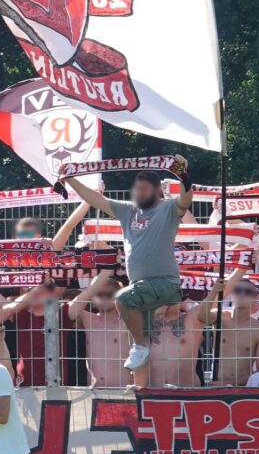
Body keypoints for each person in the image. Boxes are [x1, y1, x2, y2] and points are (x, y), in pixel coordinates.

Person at [64, 160, 193, 371]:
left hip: (164, 284)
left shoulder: (168, 208)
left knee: (122, 299)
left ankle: (142, 347)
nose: (139, 192)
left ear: (157, 190)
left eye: (144, 188)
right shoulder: (128, 211)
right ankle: (144, 393)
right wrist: (69, 179)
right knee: (140, 346)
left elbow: (186, 199)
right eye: (137, 188)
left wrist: (183, 175)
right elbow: (96, 199)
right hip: (141, 289)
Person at [67, 271, 129, 389]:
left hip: (123, 391)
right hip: (94, 392)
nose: (104, 298)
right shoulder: (86, 319)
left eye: (110, 294)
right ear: (92, 298)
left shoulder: (127, 320)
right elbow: (68, 309)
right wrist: (90, 290)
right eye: (100, 294)